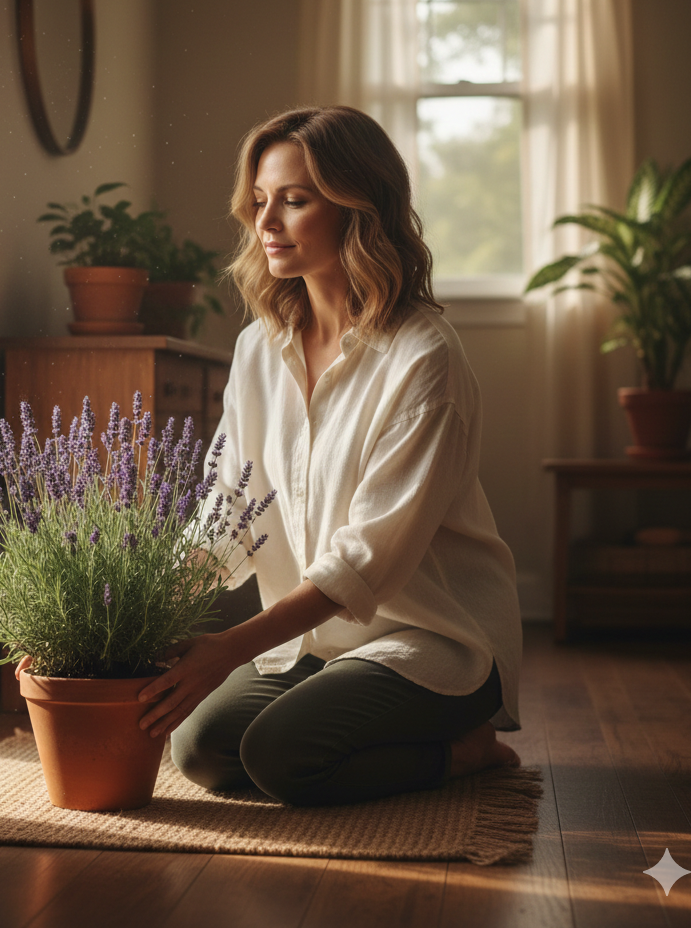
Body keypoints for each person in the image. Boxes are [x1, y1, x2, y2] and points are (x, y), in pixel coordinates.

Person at [137, 105, 522, 806]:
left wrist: (230, 648)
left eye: (295, 199)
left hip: (427, 640)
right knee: (200, 750)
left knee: (283, 759)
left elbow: (367, 560)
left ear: (358, 207)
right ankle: (350, 721)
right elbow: (229, 511)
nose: (267, 223)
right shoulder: (260, 348)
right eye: (258, 202)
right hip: (312, 645)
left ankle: (464, 750)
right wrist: (133, 621)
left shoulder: (424, 356)